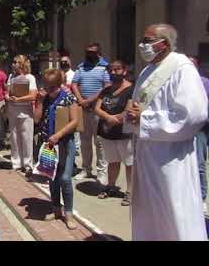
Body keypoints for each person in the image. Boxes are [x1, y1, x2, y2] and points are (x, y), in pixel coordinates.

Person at [128, 23, 207, 241]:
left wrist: (145, 120)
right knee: (149, 213)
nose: (142, 44)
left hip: (171, 158)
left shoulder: (182, 68)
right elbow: (138, 106)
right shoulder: (147, 71)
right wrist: (129, 117)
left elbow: (193, 115)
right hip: (146, 153)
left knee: (174, 211)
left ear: (163, 44)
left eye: (147, 40)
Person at [34, 69, 79, 230]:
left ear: (59, 85)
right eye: (47, 87)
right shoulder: (45, 99)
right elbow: (37, 119)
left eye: (52, 87)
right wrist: (39, 101)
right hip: (49, 145)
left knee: (65, 178)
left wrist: (58, 135)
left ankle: (69, 214)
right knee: (52, 178)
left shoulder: (68, 98)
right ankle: (56, 210)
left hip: (65, 143)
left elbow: (74, 121)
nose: (49, 90)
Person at [94, 60, 134, 206]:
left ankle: (130, 192)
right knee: (112, 161)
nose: (113, 72)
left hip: (124, 133)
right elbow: (97, 108)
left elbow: (128, 110)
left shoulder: (131, 89)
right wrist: (108, 118)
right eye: (111, 70)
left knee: (129, 163)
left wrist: (114, 120)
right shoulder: (106, 90)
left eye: (117, 70)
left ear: (124, 71)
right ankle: (111, 186)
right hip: (107, 132)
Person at [72, 43, 111, 183]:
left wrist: (90, 100)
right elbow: (74, 84)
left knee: (99, 142)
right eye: (87, 52)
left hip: (98, 110)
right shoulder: (81, 67)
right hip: (83, 108)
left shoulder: (105, 67)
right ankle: (86, 169)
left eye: (92, 52)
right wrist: (81, 100)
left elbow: (107, 86)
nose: (89, 55)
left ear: (99, 53)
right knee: (84, 141)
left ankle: (101, 172)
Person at [4, 55, 38, 174]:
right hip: (13, 110)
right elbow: (7, 92)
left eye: (15, 62)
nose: (13, 64)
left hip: (25, 111)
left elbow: (33, 95)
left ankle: (28, 164)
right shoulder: (11, 76)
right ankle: (16, 163)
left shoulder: (30, 77)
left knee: (26, 137)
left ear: (22, 64)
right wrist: (8, 97)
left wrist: (18, 100)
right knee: (14, 137)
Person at [187, 55, 209, 214]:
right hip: (181, 129)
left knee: (199, 164)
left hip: (200, 129)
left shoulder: (205, 83)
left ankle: (201, 197)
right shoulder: (178, 82)